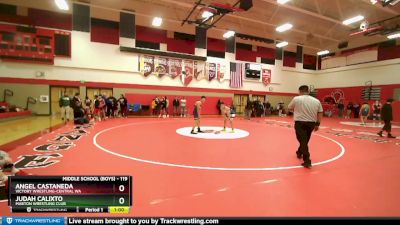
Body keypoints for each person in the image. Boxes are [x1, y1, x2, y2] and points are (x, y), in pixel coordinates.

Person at [288, 85, 323, 169]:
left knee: (303, 141)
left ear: (300, 91)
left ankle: (307, 161)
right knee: (305, 140)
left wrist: (297, 110)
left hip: (300, 123)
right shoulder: (316, 101)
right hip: (311, 124)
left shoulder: (296, 99)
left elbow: (289, 108)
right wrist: (318, 123)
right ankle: (299, 152)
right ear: (308, 91)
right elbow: (320, 112)